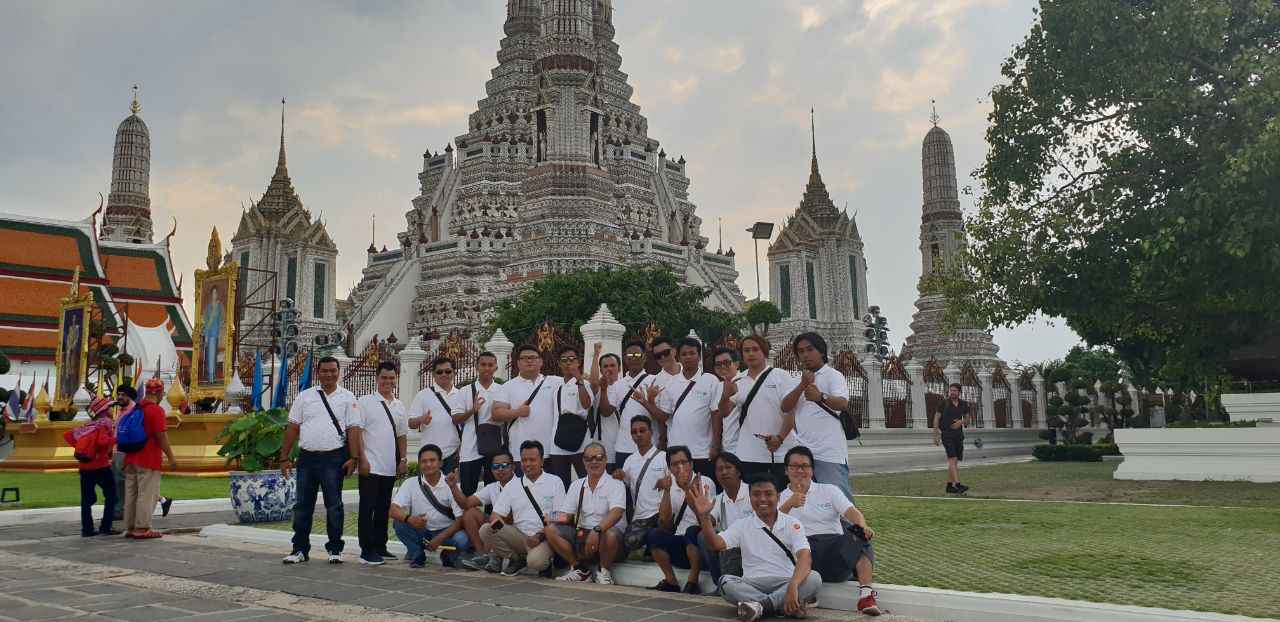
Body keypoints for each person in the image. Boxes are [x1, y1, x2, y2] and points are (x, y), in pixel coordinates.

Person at [692, 473, 822, 621]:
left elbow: (805, 557)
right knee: (725, 582)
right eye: (756, 494)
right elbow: (714, 544)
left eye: (768, 494)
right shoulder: (742, 525)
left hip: (785, 582)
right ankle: (780, 606)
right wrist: (704, 517)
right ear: (750, 497)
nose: (762, 499)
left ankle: (758, 607)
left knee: (814, 578)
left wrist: (793, 584)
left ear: (778, 497)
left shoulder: (792, 523)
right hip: (752, 585)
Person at [779, 446, 880, 615]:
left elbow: (852, 513)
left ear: (812, 470)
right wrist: (789, 504)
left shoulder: (828, 490)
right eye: (794, 466)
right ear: (786, 470)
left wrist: (862, 526)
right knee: (798, 546)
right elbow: (770, 529)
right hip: (801, 557)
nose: (800, 470)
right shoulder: (779, 496)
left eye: (805, 466)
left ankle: (866, 596)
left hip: (833, 552)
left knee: (859, 534)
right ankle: (804, 595)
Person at [280, 356, 359, 564]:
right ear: (318, 373)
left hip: (334, 458)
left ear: (338, 372)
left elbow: (353, 429)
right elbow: (292, 428)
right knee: (303, 505)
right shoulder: (305, 397)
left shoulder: (348, 397)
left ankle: (335, 549)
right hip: (307, 458)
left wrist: (354, 457)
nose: (329, 374)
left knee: (334, 506)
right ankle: (299, 549)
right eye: (324, 371)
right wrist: (284, 457)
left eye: (333, 370)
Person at [781, 332, 855, 504]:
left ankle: (854, 531)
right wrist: (802, 385)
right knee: (805, 502)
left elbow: (843, 403)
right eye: (801, 351)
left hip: (829, 452)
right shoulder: (795, 380)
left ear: (821, 351)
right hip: (803, 451)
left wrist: (821, 397)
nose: (805, 355)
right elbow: (785, 406)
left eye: (810, 349)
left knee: (839, 502)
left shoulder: (833, 375)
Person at [350, 361, 408, 566]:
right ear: (377, 378)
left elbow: (401, 435)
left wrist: (402, 459)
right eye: (384, 377)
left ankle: (380, 546)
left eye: (391, 378)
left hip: (389, 466)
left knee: (383, 507)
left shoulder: (399, 405)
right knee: (368, 508)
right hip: (370, 465)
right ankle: (366, 550)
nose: (388, 381)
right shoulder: (365, 402)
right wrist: (362, 459)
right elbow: (357, 433)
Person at [545, 441, 626, 585]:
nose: (594, 462)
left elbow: (616, 513)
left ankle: (604, 572)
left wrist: (597, 530)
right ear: (583, 461)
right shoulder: (577, 485)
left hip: (608, 538)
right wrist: (549, 516)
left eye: (598, 457)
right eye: (589, 458)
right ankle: (579, 569)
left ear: (606, 459)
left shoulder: (616, 484)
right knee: (550, 530)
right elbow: (567, 515)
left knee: (611, 534)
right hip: (583, 535)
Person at [479, 440, 564, 577]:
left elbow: (561, 516)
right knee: (487, 529)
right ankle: (516, 559)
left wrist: (540, 535)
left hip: (544, 537)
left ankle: (544, 562)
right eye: (524, 460)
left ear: (542, 461)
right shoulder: (513, 485)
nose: (528, 464)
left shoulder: (554, 481)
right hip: (519, 536)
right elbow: (496, 515)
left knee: (535, 562)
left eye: (532, 460)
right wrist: (500, 525)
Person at [646, 445, 716, 594]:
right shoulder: (668, 483)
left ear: (691, 464)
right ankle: (671, 582)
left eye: (684, 462)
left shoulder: (705, 482)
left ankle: (692, 582)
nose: (680, 467)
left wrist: (687, 489)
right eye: (675, 464)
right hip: (680, 544)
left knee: (692, 531)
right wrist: (666, 491)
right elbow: (664, 523)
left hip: (700, 544)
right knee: (654, 534)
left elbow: (703, 518)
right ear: (669, 468)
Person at [390, 444, 470, 568]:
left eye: (432, 460)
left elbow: (460, 520)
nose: (428, 464)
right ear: (419, 464)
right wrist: (410, 519)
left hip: (446, 532)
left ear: (441, 463)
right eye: (424, 461)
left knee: (462, 539)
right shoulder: (410, 483)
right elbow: (393, 509)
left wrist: (439, 539)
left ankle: (448, 555)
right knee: (399, 523)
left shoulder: (450, 484)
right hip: (422, 531)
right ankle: (417, 553)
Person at [731, 336, 799, 480]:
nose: (750, 354)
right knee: (754, 499)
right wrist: (725, 396)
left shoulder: (781, 376)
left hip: (781, 452)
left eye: (755, 349)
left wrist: (780, 438)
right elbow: (724, 412)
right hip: (748, 453)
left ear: (765, 352)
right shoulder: (738, 381)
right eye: (746, 350)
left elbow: (790, 411)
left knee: (783, 498)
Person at [657, 337, 724, 481]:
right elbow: (663, 417)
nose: (688, 357)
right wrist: (646, 402)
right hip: (676, 452)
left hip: (702, 452)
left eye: (692, 353)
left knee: (703, 492)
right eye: (684, 354)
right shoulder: (672, 383)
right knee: (678, 494)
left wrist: (715, 445)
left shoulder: (710, 380)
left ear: (698, 356)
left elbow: (716, 414)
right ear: (679, 357)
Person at [493, 344, 563, 476]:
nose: (529, 361)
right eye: (524, 358)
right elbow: (496, 413)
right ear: (518, 363)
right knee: (523, 492)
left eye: (532, 357)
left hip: (551, 451)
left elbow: (580, 383)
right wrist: (517, 412)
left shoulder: (555, 382)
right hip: (520, 454)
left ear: (541, 361)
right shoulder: (508, 386)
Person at [120, 382, 177, 540]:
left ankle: (130, 527)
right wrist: (171, 457)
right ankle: (142, 528)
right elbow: (161, 436)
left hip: (130, 458)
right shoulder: (156, 410)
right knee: (147, 494)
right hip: (148, 458)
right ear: (160, 393)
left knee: (132, 494)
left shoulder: (136, 408)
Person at [455, 448, 517, 571]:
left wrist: (496, 520)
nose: (500, 470)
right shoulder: (492, 487)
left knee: (496, 523)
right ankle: (483, 555)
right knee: (470, 513)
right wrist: (453, 487)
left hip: (516, 529)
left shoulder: (520, 484)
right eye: (496, 466)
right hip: (497, 525)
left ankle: (495, 556)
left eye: (504, 465)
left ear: (513, 467)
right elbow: (466, 503)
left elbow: (512, 518)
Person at [64, 396, 117, 537]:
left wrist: (87, 450)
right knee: (111, 496)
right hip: (100, 465)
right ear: (105, 410)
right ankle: (106, 526)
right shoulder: (105, 423)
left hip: (85, 466)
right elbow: (102, 442)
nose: (112, 409)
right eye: (110, 407)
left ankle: (87, 529)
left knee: (86, 500)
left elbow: (69, 437)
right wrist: (116, 439)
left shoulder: (88, 425)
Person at [615, 415, 667, 554]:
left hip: (661, 514)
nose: (638, 434)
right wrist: (619, 476)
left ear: (651, 432)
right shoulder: (629, 460)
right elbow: (623, 483)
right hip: (641, 517)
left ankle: (651, 544)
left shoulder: (664, 457)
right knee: (630, 541)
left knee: (657, 536)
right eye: (634, 432)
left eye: (642, 430)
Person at [602, 340, 654, 469]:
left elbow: (662, 416)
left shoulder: (653, 380)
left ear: (644, 357)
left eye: (637, 355)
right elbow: (606, 412)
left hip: (649, 446)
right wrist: (603, 390)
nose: (634, 359)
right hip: (623, 447)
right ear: (625, 358)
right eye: (630, 356)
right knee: (623, 486)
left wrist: (646, 401)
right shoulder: (618, 384)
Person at [407, 356, 464, 475]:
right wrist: (421, 419)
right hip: (429, 455)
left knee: (450, 491)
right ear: (433, 374)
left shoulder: (461, 395)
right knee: (427, 492)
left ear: (454, 372)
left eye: (448, 371)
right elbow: (411, 423)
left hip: (453, 454)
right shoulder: (423, 395)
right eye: (439, 372)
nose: (444, 374)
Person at [456, 351, 501, 495]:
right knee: (468, 492)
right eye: (483, 365)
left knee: (494, 493)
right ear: (476, 366)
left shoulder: (502, 390)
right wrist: (472, 410)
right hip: (470, 449)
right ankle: (469, 518)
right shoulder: (465, 391)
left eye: (490, 365)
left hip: (495, 447)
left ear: (496, 368)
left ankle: (491, 517)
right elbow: (455, 419)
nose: (486, 368)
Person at [700, 451, 750, 583]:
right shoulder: (718, 499)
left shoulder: (753, 492)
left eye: (728, 468)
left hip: (752, 544)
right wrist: (703, 513)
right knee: (703, 535)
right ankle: (721, 584)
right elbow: (708, 521)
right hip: (729, 548)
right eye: (719, 469)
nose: (724, 472)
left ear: (738, 472)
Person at [549, 347, 593, 488]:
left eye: (572, 359)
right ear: (559, 364)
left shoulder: (584, 383)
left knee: (586, 481)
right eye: (564, 360)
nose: (568, 363)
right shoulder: (557, 386)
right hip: (558, 443)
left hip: (580, 442)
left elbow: (586, 405)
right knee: (560, 484)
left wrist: (579, 378)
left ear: (578, 362)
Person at [633, 336, 680, 447]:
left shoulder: (690, 373)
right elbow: (660, 418)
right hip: (674, 441)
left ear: (674, 351)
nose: (663, 357)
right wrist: (649, 402)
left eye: (666, 352)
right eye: (658, 356)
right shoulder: (656, 383)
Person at [586, 345, 623, 469]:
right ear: (601, 370)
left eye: (612, 365)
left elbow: (607, 411)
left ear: (619, 368)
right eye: (605, 366)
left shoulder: (623, 387)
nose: (609, 369)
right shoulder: (598, 388)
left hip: (622, 443)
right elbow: (593, 382)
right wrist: (596, 355)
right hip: (601, 444)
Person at [933, 382, 971, 494]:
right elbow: (936, 418)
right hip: (946, 435)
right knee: (952, 459)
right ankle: (958, 485)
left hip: (958, 436)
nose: (952, 392)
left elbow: (968, 421)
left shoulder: (964, 404)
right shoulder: (944, 403)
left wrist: (961, 421)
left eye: (954, 390)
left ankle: (949, 486)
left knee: (954, 461)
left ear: (959, 392)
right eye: (951, 390)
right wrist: (936, 435)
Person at [713, 347, 747, 456]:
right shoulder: (719, 386)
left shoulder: (746, 382)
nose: (722, 366)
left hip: (747, 449)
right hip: (728, 448)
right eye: (718, 364)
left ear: (736, 364)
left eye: (726, 362)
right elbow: (719, 416)